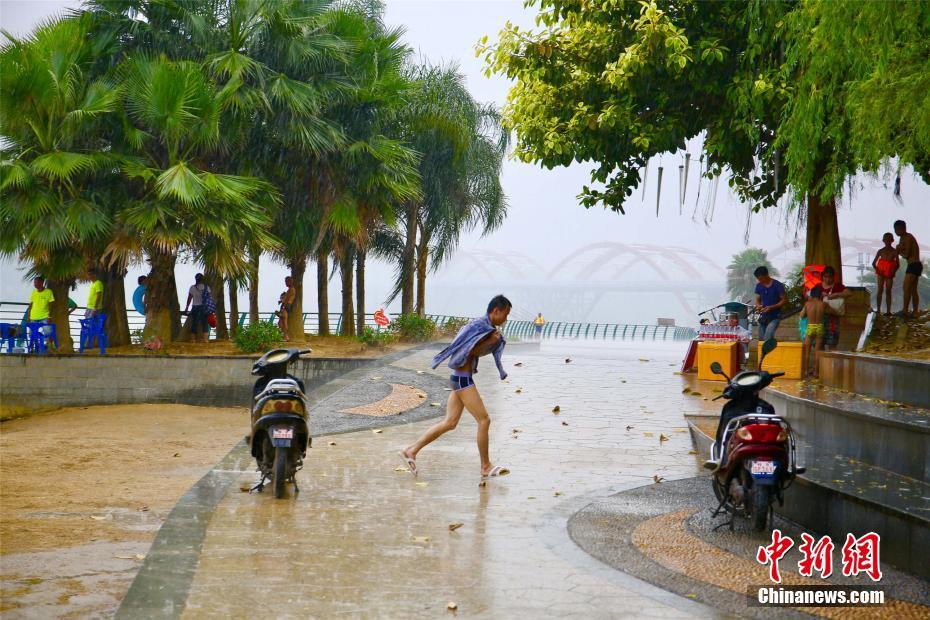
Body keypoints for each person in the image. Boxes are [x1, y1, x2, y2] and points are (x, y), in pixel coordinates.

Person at [400, 295, 512, 479]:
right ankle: (485, 466)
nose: (506, 319)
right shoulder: (480, 327)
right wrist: (491, 342)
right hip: (462, 380)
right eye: (505, 314)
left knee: (450, 423)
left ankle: (411, 451)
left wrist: (491, 341)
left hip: (458, 378)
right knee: (484, 421)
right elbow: (469, 350)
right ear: (496, 311)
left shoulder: (484, 328)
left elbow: (472, 349)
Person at [894, 220, 922, 316]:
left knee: (906, 287)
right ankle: (915, 311)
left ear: (901, 229)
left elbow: (906, 254)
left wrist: (898, 251)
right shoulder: (902, 238)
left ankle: (905, 310)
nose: (896, 232)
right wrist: (899, 250)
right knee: (913, 289)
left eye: (896, 230)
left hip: (914, 265)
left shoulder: (908, 237)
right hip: (913, 265)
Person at [820, 266, 850, 350]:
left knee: (832, 345)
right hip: (820, 320)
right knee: (819, 345)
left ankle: (832, 363)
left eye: (830, 277)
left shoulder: (838, 286)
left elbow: (848, 293)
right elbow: (810, 298)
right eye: (825, 277)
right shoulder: (818, 286)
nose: (828, 279)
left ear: (834, 277)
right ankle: (820, 363)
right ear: (822, 276)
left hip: (833, 321)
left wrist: (836, 294)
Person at [753, 266, 787, 341]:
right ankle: (766, 352)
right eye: (758, 279)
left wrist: (772, 307)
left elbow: (784, 300)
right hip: (764, 316)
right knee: (761, 339)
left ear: (767, 275)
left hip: (775, 316)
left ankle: (768, 350)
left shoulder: (778, 285)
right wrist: (758, 306)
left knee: (767, 338)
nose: (760, 281)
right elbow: (757, 300)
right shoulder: (759, 286)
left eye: (761, 278)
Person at [800, 286, 826, 378]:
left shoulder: (807, 304)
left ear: (811, 295)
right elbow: (832, 311)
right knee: (817, 352)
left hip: (810, 327)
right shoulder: (823, 304)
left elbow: (802, 315)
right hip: (819, 327)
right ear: (820, 295)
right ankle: (816, 372)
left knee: (807, 351)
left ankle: (806, 371)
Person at [872, 234, 899, 315]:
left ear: (892, 240)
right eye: (886, 239)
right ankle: (878, 310)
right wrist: (878, 270)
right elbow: (873, 263)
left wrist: (893, 272)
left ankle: (888, 311)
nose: (887, 241)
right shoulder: (880, 251)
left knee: (888, 291)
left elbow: (898, 264)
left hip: (889, 273)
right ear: (883, 240)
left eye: (889, 239)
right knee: (880, 290)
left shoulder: (894, 251)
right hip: (880, 273)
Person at [184, 273, 210, 343]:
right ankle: (206, 340)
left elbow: (189, 298)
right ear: (203, 279)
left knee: (194, 323)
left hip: (195, 307)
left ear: (196, 279)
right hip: (204, 307)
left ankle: (193, 340)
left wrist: (186, 307)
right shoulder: (206, 287)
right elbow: (209, 298)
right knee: (205, 323)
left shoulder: (192, 287)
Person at [279, 276, 296, 342]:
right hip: (287, 306)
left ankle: (286, 337)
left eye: (286, 282)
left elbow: (287, 300)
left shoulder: (291, 289)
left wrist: (283, 307)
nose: (285, 283)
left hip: (286, 306)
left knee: (283, 322)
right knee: (282, 322)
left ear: (290, 282)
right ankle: (285, 337)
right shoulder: (291, 289)